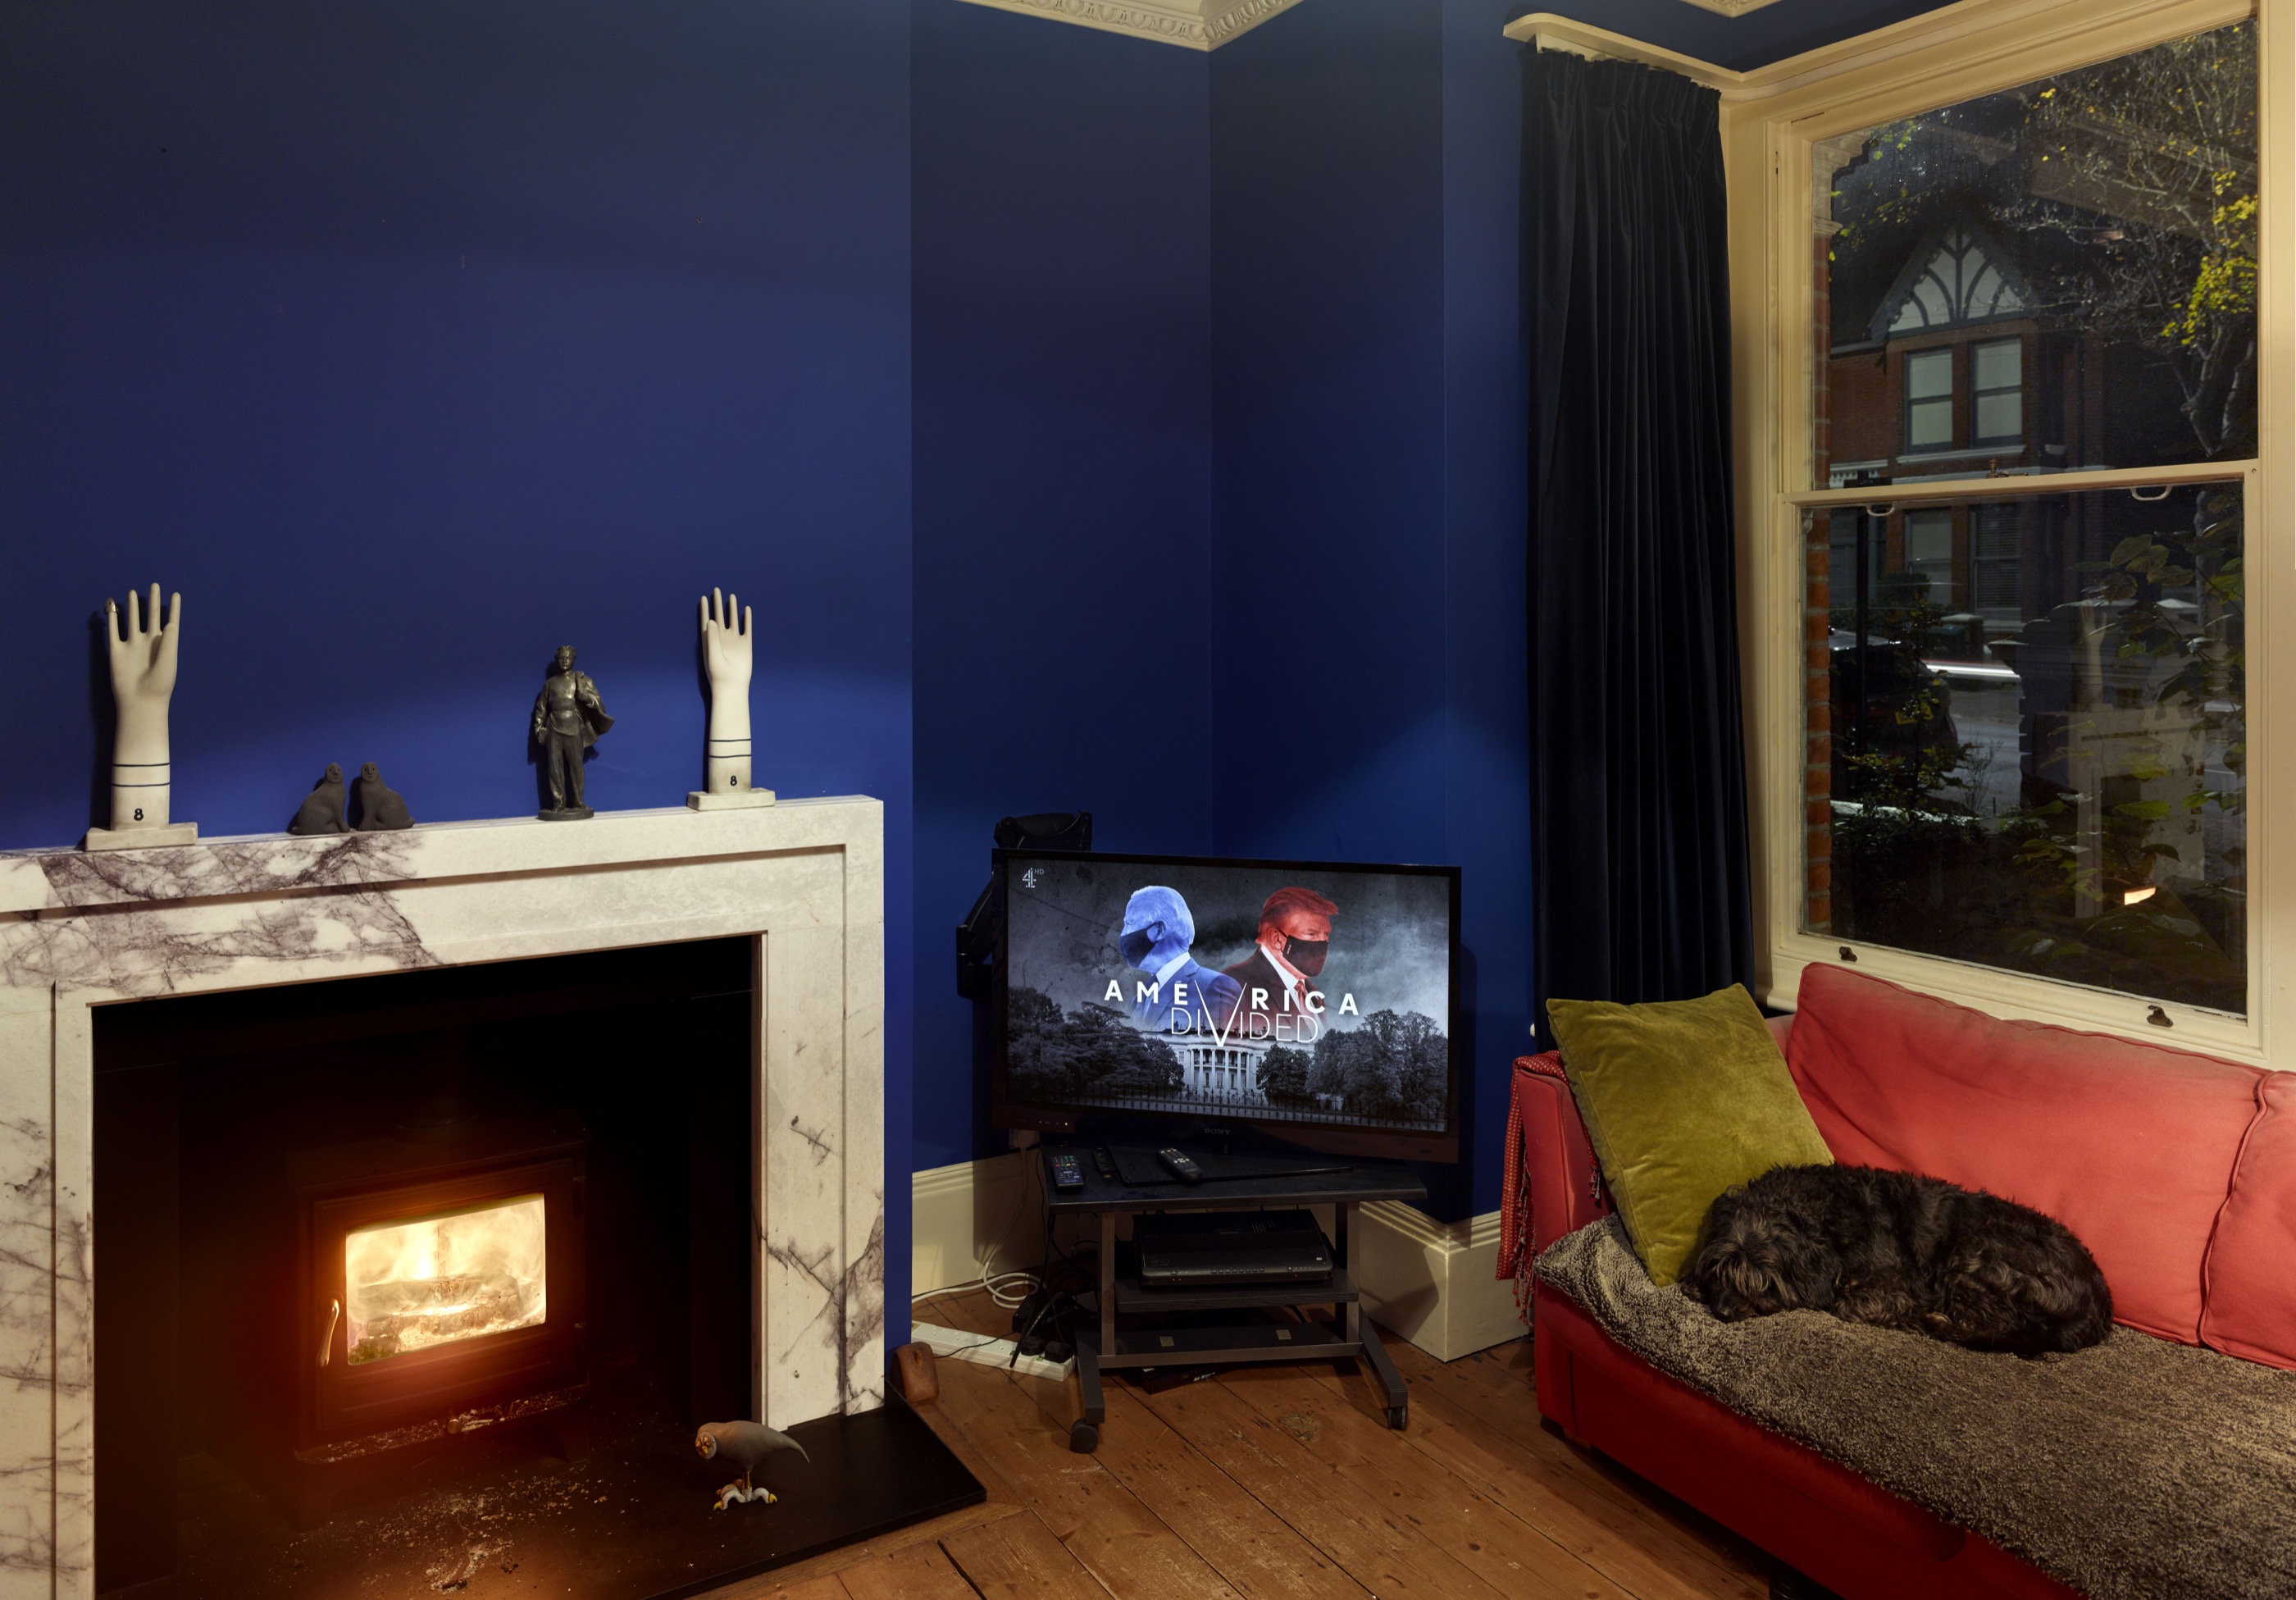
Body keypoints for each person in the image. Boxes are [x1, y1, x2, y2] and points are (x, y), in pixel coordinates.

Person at [1118, 887, 1243, 1038]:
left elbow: (1228, 1045)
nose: (1123, 934)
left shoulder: (1219, 988)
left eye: (1130, 923)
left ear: (1159, 930)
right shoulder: (1138, 999)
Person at [1222, 887, 1337, 1044]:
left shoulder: (1314, 995)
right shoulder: (1233, 985)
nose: (1322, 943)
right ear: (1276, 939)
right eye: (1311, 934)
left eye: (1326, 935)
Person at [531, 645, 614, 818]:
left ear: (573, 660)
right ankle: (558, 803)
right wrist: (539, 728)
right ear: (557, 660)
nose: (564, 661)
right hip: (554, 727)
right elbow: (541, 709)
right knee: (554, 767)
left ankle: (578, 802)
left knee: (577, 767)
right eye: (561, 658)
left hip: (574, 727)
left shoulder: (583, 681)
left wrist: (586, 697)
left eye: (568, 658)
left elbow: (599, 704)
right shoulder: (550, 684)